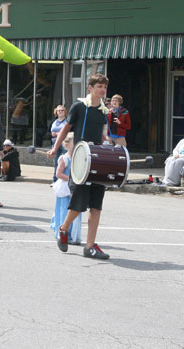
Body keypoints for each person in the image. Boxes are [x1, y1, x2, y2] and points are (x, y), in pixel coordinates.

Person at [48, 72, 111, 260]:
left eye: (105, 87)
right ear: (90, 88)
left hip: (97, 160)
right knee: (78, 204)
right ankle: (64, 229)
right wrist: (55, 148)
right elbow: (65, 130)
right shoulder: (78, 107)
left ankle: (90, 246)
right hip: (80, 160)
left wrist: (109, 145)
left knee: (96, 206)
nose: (103, 90)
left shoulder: (103, 111)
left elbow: (102, 135)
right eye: (99, 86)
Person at [50, 133, 81, 245]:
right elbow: (58, 174)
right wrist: (71, 179)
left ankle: (74, 235)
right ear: (67, 144)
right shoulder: (64, 158)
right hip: (65, 187)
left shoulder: (79, 159)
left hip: (75, 188)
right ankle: (63, 234)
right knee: (64, 211)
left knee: (76, 210)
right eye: (74, 142)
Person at [50, 105, 68, 181]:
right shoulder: (54, 122)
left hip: (64, 144)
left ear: (65, 112)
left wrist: (57, 134)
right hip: (55, 144)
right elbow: (50, 132)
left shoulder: (67, 121)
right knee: (56, 162)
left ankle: (64, 179)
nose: (60, 112)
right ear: (56, 112)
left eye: (62, 110)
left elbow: (67, 132)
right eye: (58, 110)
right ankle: (55, 180)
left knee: (64, 162)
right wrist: (53, 134)